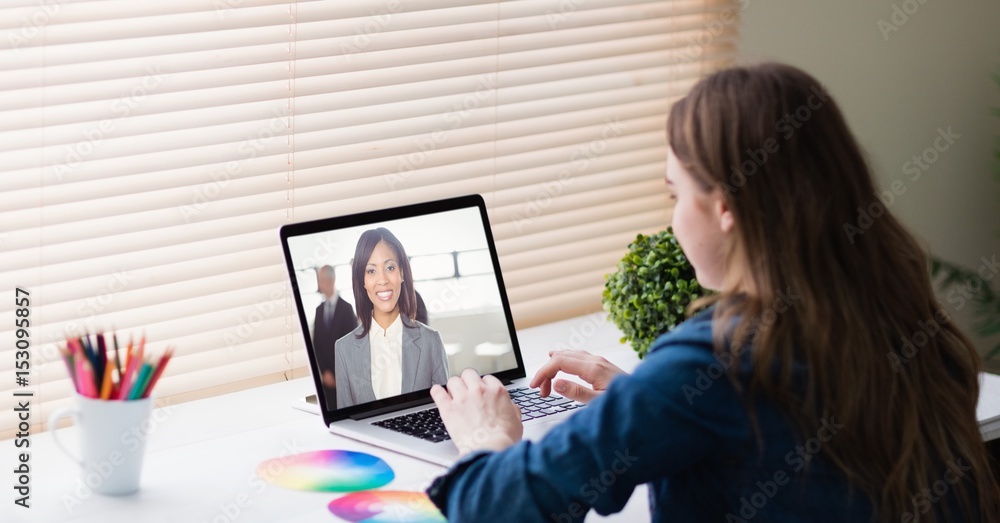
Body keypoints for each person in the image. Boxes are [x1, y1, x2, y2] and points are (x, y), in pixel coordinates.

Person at [425, 63, 1000, 522]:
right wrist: (647, 403)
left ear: (724, 207)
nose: (673, 218)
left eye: (675, 193)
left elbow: (494, 506)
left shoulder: (717, 357)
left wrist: (486, 436)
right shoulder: (896, 313)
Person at [335, 228, 450, 409]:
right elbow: (346, 425)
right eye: (371, 271)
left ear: (402, 273)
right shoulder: (343, 349)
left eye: (390, 268)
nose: (382, 280)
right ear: (362, 280)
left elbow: (445, 412)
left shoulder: (431, 340)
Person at [312, 264, 358, 409]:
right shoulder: (319, 311)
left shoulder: (347, 309)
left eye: (321, 279)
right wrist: (325, 372)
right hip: (327, 380)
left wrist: (340, 374)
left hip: (345, 378)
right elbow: (317, 344)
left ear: (331, 281)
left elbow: (352, 344)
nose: (319, 284)